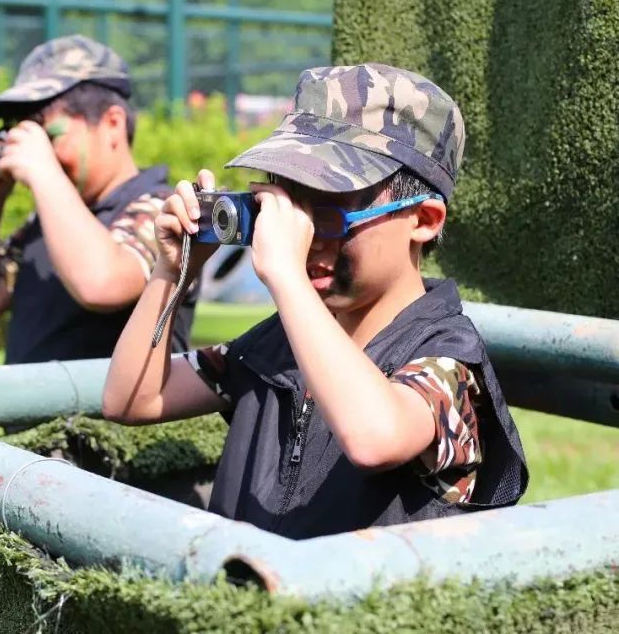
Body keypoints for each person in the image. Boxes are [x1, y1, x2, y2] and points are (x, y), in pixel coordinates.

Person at [102, 63, 528, 539]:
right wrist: (171, 271)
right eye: (286, 208)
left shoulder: (448, 361)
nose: (302, 238)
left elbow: (375, 437)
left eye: (328, 215)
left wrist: (287, 277)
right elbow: (132, 398)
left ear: (423, 220)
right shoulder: (276, 345)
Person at [0, 35, 196, 366]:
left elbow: (102, 284)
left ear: (112, 124)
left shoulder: (165, 211)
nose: (36, 151)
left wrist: (44, 172)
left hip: (114, 403)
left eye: (47, 135)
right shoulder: (48, 221)